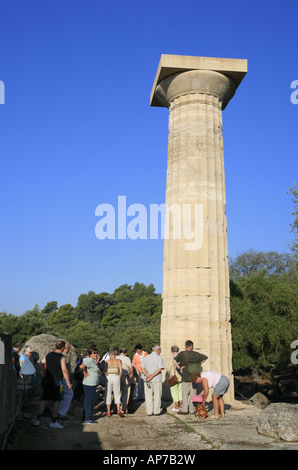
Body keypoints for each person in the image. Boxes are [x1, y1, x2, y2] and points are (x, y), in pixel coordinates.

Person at [34, 340, 72, 429]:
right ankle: (53, 422)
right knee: (57, 400)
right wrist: (68, 382)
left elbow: (41, 363)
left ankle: (37, 420)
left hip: (47, 379)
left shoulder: (48, 354)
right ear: (63, 348)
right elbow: (64, 370)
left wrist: (44, 373)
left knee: (44, 399)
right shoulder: (61, 357)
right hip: (57, 380)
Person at [173, 340, 208, 415]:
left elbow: (174, 360)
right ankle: (192, 410)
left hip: (185, 375)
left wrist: (179, 367)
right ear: (192, 346)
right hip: (194, 377)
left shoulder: (182, 354)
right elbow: (205, 358)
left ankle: (185, 409)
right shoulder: (196, 354)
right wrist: (198, 365)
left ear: (186, 346)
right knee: (193, 393)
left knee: (185, 393)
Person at [141, 345, 165, 416]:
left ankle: (149, 411)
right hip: (156, 379)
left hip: (147, 379)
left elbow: (142, 368)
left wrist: (148, 375)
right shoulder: (159, 358)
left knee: (148, 395)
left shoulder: (146, 357)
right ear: (158, 350)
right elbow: (159, 368)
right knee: (157, 395)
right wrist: (152, 375)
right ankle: (156, 411)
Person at [80, 348, 100, 424]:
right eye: (94, 353)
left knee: (88, 400)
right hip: (89, 383)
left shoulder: (92, 361)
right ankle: (87, 418)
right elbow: (82, 366)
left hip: (91, 383)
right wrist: (85, 372)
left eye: (96, 353)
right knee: (89, 401)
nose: (95, 354)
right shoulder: (89, 360)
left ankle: (86, 417)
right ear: (90, 354)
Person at [104, 350, 124, 417]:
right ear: (115, 355)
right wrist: (119, 377)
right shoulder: (118, 361)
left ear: (109, 355)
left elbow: (105, 370)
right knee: (117, 393)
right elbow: (120, 371)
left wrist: (106, 375)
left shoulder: (107, 362)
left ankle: (108, 411)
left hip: (109, 376)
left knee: (108, 393)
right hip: (116, 376)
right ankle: (118, 409)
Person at [58, 342, 74, 420]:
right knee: (69, 394)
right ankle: (61, 412)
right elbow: (64, 370)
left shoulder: (55, 355)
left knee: (63, 395)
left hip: (57, 377)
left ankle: (59, 411)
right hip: (63, 378)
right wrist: (68, 381)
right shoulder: (63, 357)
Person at [116, 348, 133, 413]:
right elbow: (130, 367)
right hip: (125, 377)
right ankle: (123, 408)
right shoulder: (127, 358)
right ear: (126, 353)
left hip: (117, 376)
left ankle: (117, 408)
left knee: (117, 393)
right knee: (125, 393)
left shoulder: (116, 357)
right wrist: (131, 373)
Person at [166, 345, 182, 412]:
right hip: (181, 377)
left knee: (174, 391)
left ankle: (176, 406)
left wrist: (168, 374)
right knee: (180, 391)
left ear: (172, 351)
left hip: (174, 377)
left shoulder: (172, 358)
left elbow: (169, 368)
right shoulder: (181, 357)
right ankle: (181, 405)